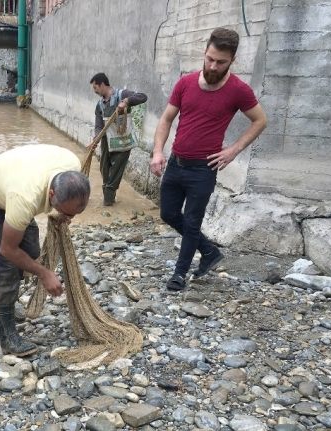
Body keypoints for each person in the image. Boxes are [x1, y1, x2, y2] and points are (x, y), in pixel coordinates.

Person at [149, 28, 267, 291]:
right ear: (205, 52)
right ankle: (209, 251)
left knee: (192, 221)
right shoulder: (185, 83)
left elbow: (260, 120)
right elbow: (167, 118)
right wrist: (158, 152)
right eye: (210, 58)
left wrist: (234, 150)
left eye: (221, 62)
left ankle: (179, 274)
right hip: (176, 163)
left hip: (204, 169)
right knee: (168, 214)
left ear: (232, 60)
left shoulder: (239, 90)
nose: (213, 66)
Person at [0, 144, 90, 357]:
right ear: (51, 194)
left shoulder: (73, 165)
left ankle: (11, 302)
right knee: (8, 267)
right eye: (63, 212)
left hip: (11, 184)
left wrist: (64, 215)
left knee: (31, 250)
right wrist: (44, 273)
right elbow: (7, 249)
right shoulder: (25, 198)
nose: (69, 218)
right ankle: (7, 336)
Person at [89, 73, 148, 206]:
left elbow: (143, 97)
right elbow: (99, 126)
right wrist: (95, 139)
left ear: (102, 84)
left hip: (123, 139)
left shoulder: (122, 94)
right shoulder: (99, 105)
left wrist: (126, 102)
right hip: (106, 141)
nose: (95, 91)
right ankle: (109, 199)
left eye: (95, 88)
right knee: (104, 169)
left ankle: (108, 202)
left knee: (116, 171)